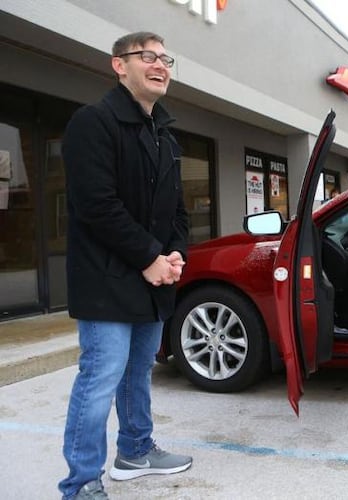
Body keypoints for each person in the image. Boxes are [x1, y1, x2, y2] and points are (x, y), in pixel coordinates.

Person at [58, 32, 192, 499]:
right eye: (147, 56)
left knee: (138, 375)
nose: (160, 65)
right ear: (119, 66)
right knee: (100, 379)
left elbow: (177, 210)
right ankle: (81, 484)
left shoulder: (164, 136)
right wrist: (149, 257)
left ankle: (135, 451)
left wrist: (175, 255)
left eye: (165, 58)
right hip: (106, 280)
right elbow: (97, 206)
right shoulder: (92, 123)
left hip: (152, 280)